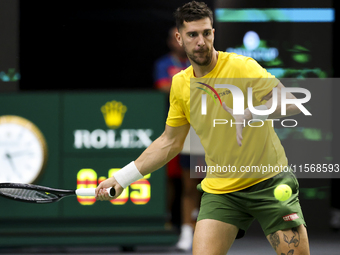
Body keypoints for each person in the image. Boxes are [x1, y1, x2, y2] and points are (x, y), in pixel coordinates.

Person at [96, 2, 310, 254]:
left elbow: (293, 103)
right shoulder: (181, 84)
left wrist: (253, 112)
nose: (201, 41)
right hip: (222, 192)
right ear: (179, 37)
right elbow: (169, 142)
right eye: (192, 34)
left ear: (213, 33)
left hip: (269, 182)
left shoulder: (242, 67)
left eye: (206, 33)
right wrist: (122, 179)